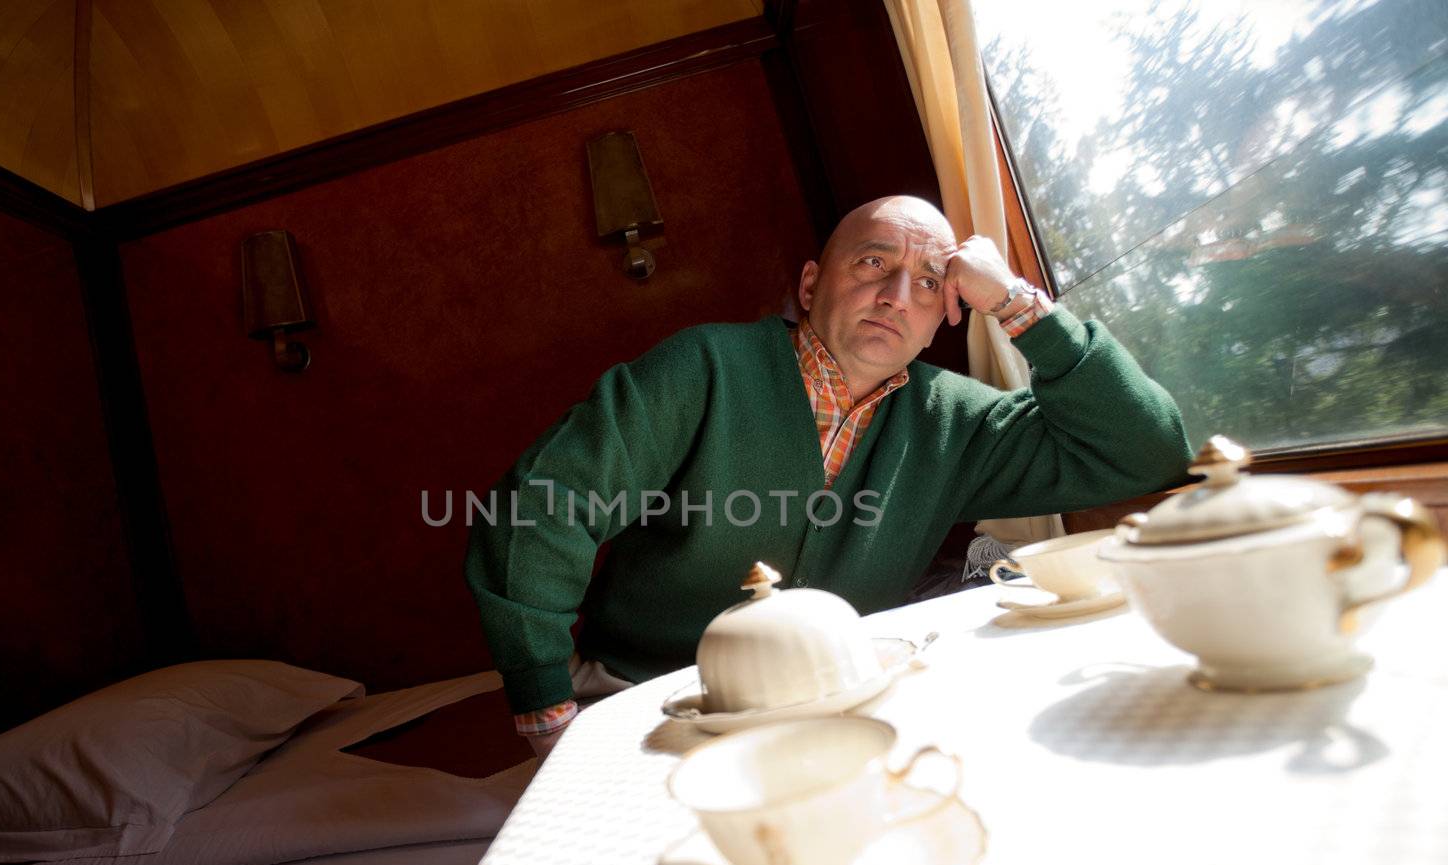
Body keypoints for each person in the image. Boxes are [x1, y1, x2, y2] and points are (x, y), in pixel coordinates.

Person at [465, 195, 1192, 754]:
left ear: (947, 312)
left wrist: (1015, 302)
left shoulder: (958, 422)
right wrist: (545, 706)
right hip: (653, 697)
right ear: (812, 284)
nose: (895, 296)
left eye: (929, 281)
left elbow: (1146, 450)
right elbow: (541, 507)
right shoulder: (705, 367)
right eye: (873, 264)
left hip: (844, 697)